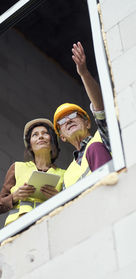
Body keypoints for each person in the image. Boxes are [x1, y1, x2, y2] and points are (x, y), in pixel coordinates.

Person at [53, 42, 112, 188]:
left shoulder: (103, 136)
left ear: (87, 123)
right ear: (62, 137)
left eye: (73, 116)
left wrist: (84, 73)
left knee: (94, 149)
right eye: (62, 122)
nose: (68, 121)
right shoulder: (67, 177)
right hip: (89, 210)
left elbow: (100, 107)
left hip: (113, 195)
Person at [0, 118, 65, 226]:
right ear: (30, 146)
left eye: (45, 133)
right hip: (18, 228)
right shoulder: (17, 167)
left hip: (50, 226)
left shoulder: (64, 174)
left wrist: (59, 198)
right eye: (35, 135)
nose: (40, 136)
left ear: (52, 143)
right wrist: (15, 196)